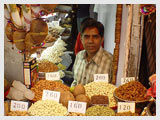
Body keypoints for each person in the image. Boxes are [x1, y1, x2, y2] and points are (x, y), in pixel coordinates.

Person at [71, 19, 113, 86]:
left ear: (102, 39)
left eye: (95, 37)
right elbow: (75, 81)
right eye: (86, 37)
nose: (90, 41)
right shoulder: (79, 56)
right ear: (81, 39)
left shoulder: (110, 61)